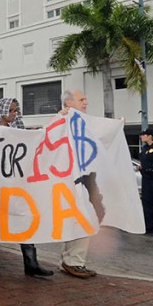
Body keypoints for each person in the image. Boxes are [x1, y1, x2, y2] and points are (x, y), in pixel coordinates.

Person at [0, 97, 54, 277]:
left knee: (24, 218)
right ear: (3, 110)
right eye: (12, 110)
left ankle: (31, 263)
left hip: (15, 184)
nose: (15, 114)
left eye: (16, 111)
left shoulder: (17, 131)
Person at [57, 90, 98, 279]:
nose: (86, 102)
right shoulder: (60, 121)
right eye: (82, 99)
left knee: (79, 220)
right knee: (83, 220)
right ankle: (73, 261)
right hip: (66, 183)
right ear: (68, 102)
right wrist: (59, 118)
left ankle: (71, 260)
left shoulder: (82, 122)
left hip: (79, 182)